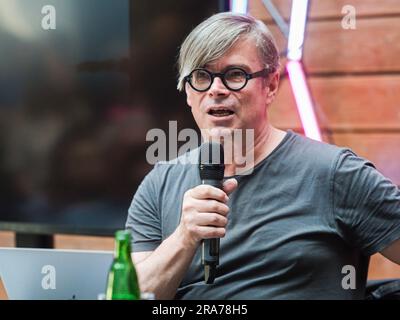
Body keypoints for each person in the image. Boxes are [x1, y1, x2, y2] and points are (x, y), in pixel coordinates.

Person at [125, 12, 400, 299]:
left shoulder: (335, 173)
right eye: (201, 77)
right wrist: (184, 237)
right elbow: (131, 294)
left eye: (234, 75)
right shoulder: (159, 183)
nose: (216, 89)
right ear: (188, 93)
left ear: (270, 86)